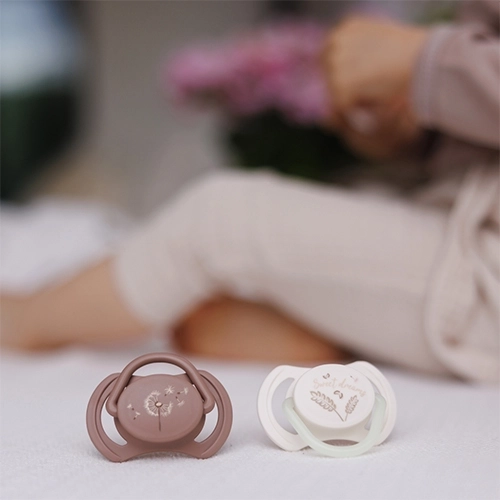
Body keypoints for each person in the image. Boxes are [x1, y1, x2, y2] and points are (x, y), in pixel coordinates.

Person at [2, 0, 498, 382]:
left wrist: (431, 63)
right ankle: (339, 331)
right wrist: (415, 130)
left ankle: (25, 320)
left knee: (221, 220)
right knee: (338, 205)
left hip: (484, 262)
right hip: (466, 217)